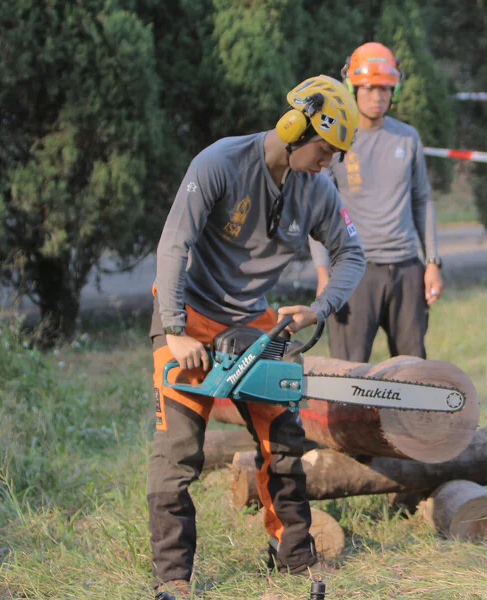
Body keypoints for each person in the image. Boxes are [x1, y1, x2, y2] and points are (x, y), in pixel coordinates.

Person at [148, 75, 364, 599]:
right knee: (177, 456)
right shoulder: (219, 164)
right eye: (324, 150)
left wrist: (319, 308)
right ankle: (174, 578)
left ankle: (292, 559)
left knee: (283, 446)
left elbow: (350, 255)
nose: (328, 163)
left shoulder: (316, 188)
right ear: (295, 129)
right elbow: (174, 245)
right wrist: (175, 330)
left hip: (255, 325)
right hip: (190, 317)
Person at [310, 42, 442, 362]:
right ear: (352, 87)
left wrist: (432, 263)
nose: (377, 97)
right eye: (368, 88)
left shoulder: (408, 137)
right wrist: (323, 274)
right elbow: (318, 211)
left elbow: (422, 199)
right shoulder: (336, 140)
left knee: (412, 371)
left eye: (385, 89)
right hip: (354, 270)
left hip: (407, 269)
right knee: (347, 370)